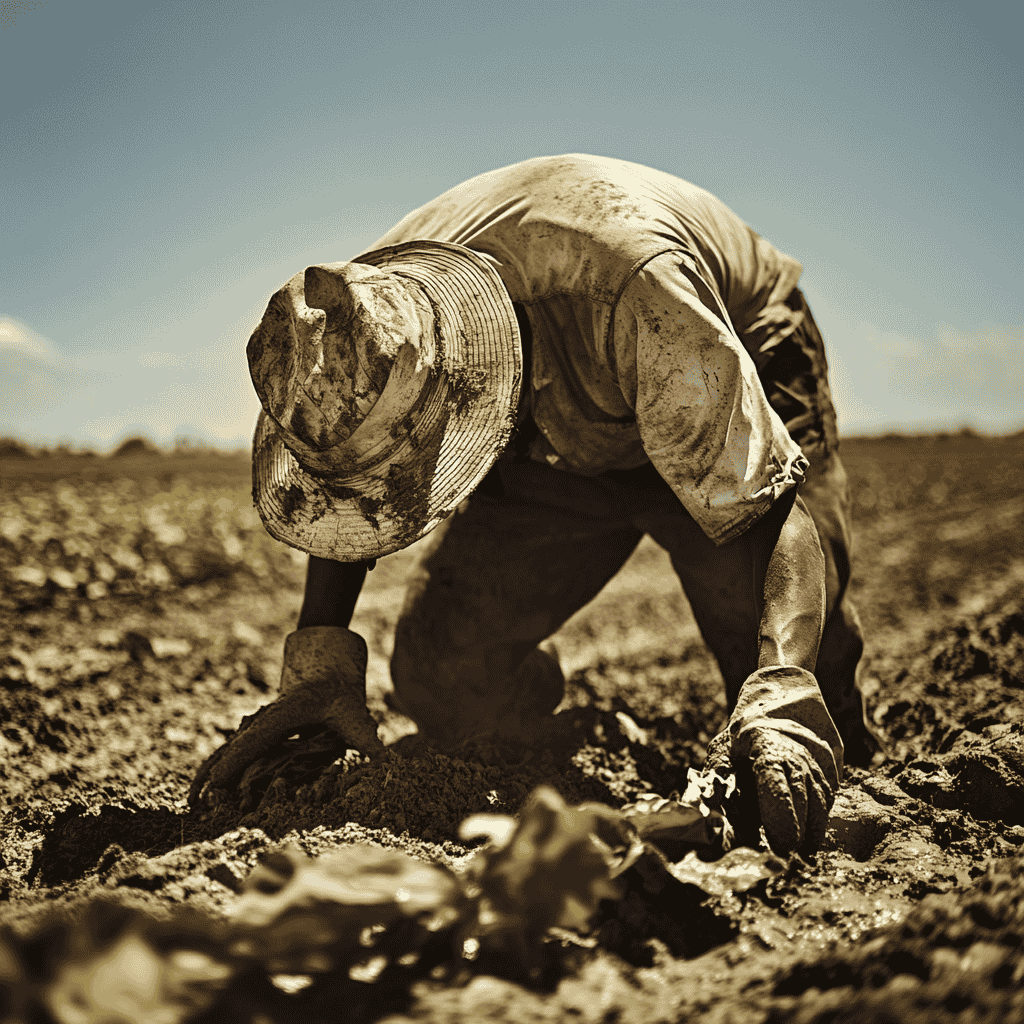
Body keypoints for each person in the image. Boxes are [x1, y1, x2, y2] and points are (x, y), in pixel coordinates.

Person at [190, 154, 882, 855]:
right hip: (560, 416)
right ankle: (547, 735)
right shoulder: (357, 321)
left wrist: (786, 689)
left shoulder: (637, 289)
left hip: (716, 347)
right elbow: (352, 475)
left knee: (784, 672)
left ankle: (844, 757)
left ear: (464, 382)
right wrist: (321, 664)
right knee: (443, 675)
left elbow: (768, 508)